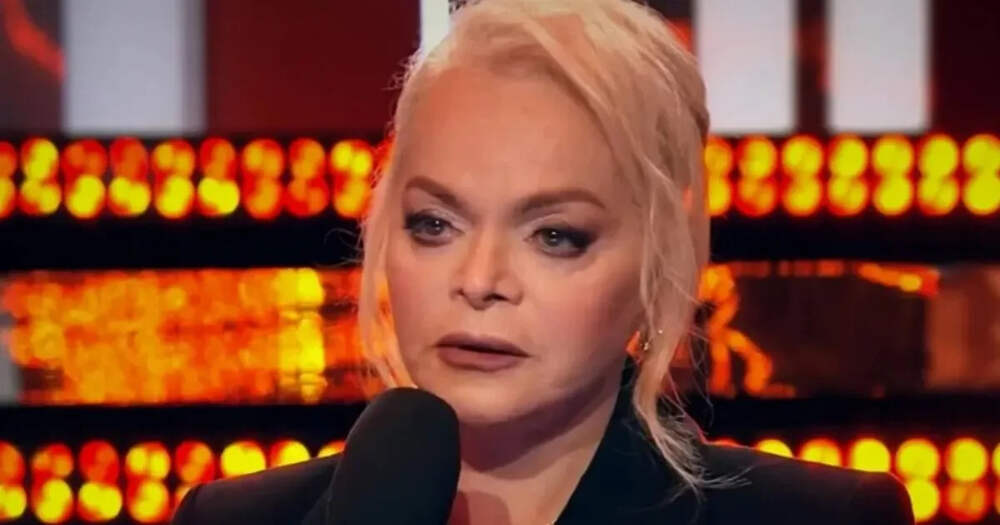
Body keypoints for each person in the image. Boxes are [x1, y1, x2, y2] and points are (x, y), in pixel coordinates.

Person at [171, 0, 914, 523]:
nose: (479, 280)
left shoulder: (820, 517)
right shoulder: (232, 518)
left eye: (555, 235)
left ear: (658, 262)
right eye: (434, 223)